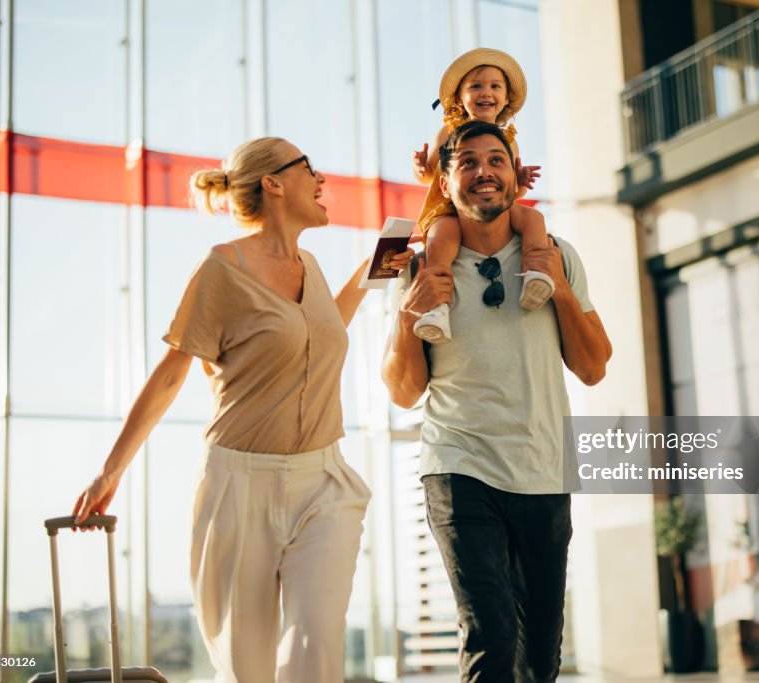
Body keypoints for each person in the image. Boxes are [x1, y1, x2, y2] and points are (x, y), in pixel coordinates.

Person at [72, 137, 410, 683]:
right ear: (273, 183)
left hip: (322, 483)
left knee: (314, 643)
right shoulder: (222, 269)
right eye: (310, 169)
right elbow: (170, 374)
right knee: (247, 668)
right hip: (238, 487)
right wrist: (110, 471)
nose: (322, 180)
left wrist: (383, 261)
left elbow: (323, 328)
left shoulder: (312, 265)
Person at [382, 120, 612, 682]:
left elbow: (593, 367)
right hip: (459, 466)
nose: (483, 171)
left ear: (514, 176)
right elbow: (404, 392)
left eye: (496, 160)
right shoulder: (416, 266)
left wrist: (556, 286)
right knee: (491, 636)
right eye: (467, 162)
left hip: (542, 467)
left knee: (539, 656)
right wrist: (411, 315)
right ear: (446, 179)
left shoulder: (557, 253)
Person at [411, 47, 554, 344]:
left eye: (494, 86)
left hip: (495, 208)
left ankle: (535, 274)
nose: (485, 92)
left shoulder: (509, 141)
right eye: (475, 86)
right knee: (440, 243)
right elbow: (432, 175)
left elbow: (510, 191)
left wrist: (522, 182)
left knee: (533, 218)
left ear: (505, 98)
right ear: (460, 98)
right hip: (450, 208)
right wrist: (422, 168)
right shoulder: (449, 130)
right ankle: (437, 308)